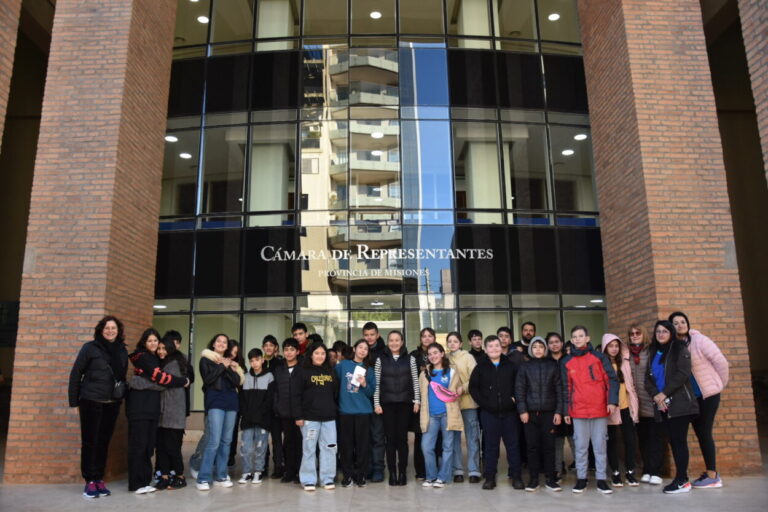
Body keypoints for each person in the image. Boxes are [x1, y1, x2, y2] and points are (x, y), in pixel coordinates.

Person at [68, 316, 129, 498]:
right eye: (107, 328)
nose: (110, 331)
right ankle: (89, 481)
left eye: (114, 328)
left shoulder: (121, 350)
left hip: (112, 403)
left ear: (118, 331)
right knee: (90, 442)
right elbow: (76, 374)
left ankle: (99, 478)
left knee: (103, 442)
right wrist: (74, 402)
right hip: (91, 401)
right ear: (101, 330)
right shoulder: (90, 348)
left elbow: (122, 377)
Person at [668, 311, 729, 488]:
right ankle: (694, 475)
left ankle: (712, 474)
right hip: (689, 398)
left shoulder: (699, 340)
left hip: (707, 395)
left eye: (683, 321)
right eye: (676, 323)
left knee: (704, 432)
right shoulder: (674, 346)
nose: (680, 325)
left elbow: (721, 362)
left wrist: (718, 386)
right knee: (688, 434)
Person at [126, 328, 189, 494]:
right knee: (141, 446)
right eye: (151, 342)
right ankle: (138, 483)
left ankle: (148, 481)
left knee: (150, 447)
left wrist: (139, 382)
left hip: (159, 411)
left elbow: (165, 383)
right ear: (144, 343)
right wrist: (182, 381)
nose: (156, 347)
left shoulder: (163, 361)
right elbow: (163, 381)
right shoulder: (146, 358)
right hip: (142, 408)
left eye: (158, 343)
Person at [561, 325, 618, 495]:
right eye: (574, 336)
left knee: (600, 446)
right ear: (571, 340)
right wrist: (566, 411)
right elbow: (566, 388)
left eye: (581, 336)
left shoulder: (599, 357)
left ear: (587, 338)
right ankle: (581, 479)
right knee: (580, 446)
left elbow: (612, 380)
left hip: (599, 409)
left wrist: (612, 401)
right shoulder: (566, 361)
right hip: (578, 411)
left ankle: (601, 479)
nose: (578, 339)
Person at [646, 320, 699, 494]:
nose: (661, 334)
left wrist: (664, 393)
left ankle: (682, 479)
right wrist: (656, 394)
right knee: (673, 442)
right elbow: (648, 379)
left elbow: (682, 374)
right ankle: (681, 479)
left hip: (679, 404)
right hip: (662, 405)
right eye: (658, 331)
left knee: (679, 442)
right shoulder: (653, 352)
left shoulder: (679, 349)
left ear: (671, 333)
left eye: (665, 331)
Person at [469, 335, 524, 491]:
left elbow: (518, 385)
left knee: (513, 446)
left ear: (502, 347)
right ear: (485, 349)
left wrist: (514, 399)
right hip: (489, 413)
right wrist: (485, 404)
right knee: (491, 447)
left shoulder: (511, 365)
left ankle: (516, 476)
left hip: (510, 413)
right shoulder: (480, 367)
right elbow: (473, 388)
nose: (494, 348)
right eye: (491, 346)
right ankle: (490, 477)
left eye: (497, 345)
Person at [196, 334, 244, 491]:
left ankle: (221, 475)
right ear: (214, 344)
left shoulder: (230, 362)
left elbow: (237, 382)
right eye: (219, 341)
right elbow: (208, 379)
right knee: (214, 441)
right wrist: (222, 366)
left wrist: (228, 366)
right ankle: (203, 477)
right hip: (215, 401)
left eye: (225, 342)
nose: (222, 344)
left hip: (231, 402)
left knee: (226, 441)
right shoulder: (206, 360)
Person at [515, 336, 564, 492]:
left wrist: (558, 412)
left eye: (541, 347)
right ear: (531, 349)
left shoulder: (553, 366)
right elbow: (519, 390)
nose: (537, 349)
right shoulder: (525, 367)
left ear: (545, 349)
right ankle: (534, 479)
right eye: (535, 346)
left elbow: (559, 391)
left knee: (549, 447)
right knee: (532, 447)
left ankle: (551, 479)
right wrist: (522, 411)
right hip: (530, 414)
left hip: (549, 413)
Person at [374, 330, 420, 486]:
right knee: (390, 440)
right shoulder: (381, 359)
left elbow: (415, 381)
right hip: (386, 404)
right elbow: (377, 383)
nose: (394, 343)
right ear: (388, 342)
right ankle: (392, 473)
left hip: (405, 404)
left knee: (402, 440)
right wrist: (376, 403)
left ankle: (402, 473)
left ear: (402, 342)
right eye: (391, 340)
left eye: (397, 340)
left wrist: (417, 401)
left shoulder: (410, 359)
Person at [294, 343, 338, 492]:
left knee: (330, 448)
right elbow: (296, 395)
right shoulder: (302, 371)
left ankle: (327, 478)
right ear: (311, 354)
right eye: (317, 353)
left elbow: (336, 394)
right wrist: (298, 416)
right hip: (309, 418)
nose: (320, 356)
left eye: (323, 353)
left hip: (329, 418)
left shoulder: (330, 371)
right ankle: (308, 480)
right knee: (309, 449)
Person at [419, 343, 462, 488]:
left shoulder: (451, 372)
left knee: (447, 446)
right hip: (430, 415)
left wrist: (461, 390)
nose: (433, 356)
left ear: (442, 353)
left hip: (447, 415)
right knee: (426, 446)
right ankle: (431, 476)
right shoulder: (425, 374)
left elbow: (457, 391)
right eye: (430, 354)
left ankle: (443, 477)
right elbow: (421, 395)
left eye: (435, 352)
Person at [601, 333, 640, 487]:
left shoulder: (624, 362)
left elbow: (630, 386)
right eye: (610, 346)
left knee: (630, 440)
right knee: (612, 442)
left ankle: (630, 471)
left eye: (616, 346)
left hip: (626, 407)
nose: (614, 349)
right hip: (610, 407)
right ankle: (615, 472)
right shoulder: (602, 364)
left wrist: (634, 406)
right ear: (605, 347)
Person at [336, 339, 375, 487]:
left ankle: (361, 475)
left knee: (362, 446)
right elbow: (335, 383)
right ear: (354, 348)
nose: (363, 350)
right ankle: (347, 475)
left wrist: (365, 384)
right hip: (345, 411)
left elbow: (371, 392)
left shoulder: (369, 369)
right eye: (360, 347)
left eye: (366, 349)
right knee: (346, 446)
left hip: (363, 412)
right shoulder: (343, 365)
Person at [627, 324, 662, 485]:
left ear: (644, 334)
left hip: (651, 399)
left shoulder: (650, 352)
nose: (634, 336)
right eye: (632, 334)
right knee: (642, 439)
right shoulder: (627, 353)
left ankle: (656, 471)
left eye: (637, 333)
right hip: (636, 403)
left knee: (655, 437)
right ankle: (647, 469)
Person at [154, 336, 190, 490]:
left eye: (164, 348)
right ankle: (164, 476)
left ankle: (180, 476)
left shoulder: (173, 364)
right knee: (161, 447)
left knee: (172, 447)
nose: (161, 351)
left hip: (173, 413)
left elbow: (161, 383)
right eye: (159, 348)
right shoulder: (164, 362)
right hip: (163, 413)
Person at [446, 332, 481, 483]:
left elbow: (476, 377)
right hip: (452, 405)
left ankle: (474, 470)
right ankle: (457, 470)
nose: (452, 344)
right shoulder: (445, 359)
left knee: (472, 437)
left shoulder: (468, 357)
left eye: (455, 341)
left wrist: (463, 388)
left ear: (461, 344)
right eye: (450, 341)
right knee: (453, 438)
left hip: (468, 403)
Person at [238, 348, 275, 485]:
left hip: (263, 419)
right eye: (251, 361)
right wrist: (245, 413)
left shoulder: (269, 377)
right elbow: (242, 399)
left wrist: (260, 413)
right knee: (245, 447)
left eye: (257, 359)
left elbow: (270, 399)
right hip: (247, 419)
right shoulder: (245, 377)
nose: (254, 363)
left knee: (261, 447)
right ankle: (246, 472)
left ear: (262, 360)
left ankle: (258, 472)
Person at [273, 338, 303, 484]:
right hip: (284, 412)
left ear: (297, 351)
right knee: (288, 443)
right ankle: (289, 472)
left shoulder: (303, 368)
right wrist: (277, 407)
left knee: (300, 443)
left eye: (292, 349)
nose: (289, 352)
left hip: (300, 413)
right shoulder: (279, 369)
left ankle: (299, 472)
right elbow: (275, 391)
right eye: (286, 349)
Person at [410, 327, 436, 480]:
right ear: (420, 339)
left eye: (430, 336)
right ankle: (420, 471)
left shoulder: (439, 354)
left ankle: (435, 468)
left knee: (436, 435)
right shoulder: (414, 356)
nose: (427, 339)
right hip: (419, 401)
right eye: (424, 336)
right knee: (420, 435)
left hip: (436, 400)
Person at [362, 321, 386, 482]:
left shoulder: (384, 353)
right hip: (362, 400)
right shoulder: (360, 352)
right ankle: (367, 467)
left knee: (378, 436)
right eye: (366, 335)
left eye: (372, 334)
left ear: (377, 335)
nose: (369, 338)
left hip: (379, 400)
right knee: (365, 437)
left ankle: (378, 469)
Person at [546, 332, 572, 480]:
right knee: (557, 440)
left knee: (574, 439)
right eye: (551, 342)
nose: (554, 344)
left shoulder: (569, 360)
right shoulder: (546, 361)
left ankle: (582, 471)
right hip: (553, 406)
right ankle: (557, 469)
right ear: (548, 346)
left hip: (570, 403)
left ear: (562, 343)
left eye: (557, 341)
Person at [261, 335, 284, 479]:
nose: (268, 347)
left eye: (271, 345)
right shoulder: (259, 362)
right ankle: (262, 467)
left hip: (275, 407)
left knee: (276, 439)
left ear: (276, 347)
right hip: (262, 407)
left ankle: (278, 468)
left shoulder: (280, 363)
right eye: (266, 345)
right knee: (262, 439)